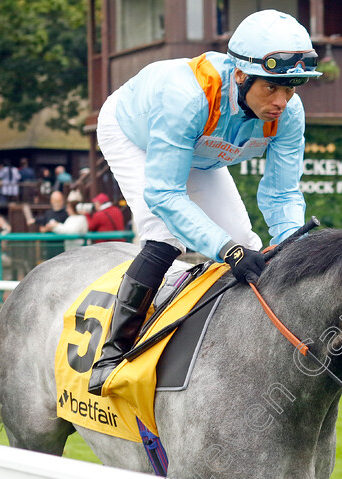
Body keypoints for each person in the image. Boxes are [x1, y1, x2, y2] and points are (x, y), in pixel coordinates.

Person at [87, 9, 321, 395]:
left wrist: (296, 249)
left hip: (199, 151)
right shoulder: (187, 97)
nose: (281, 101)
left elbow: (281, 195)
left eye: (291, 88)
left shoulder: (289, 114)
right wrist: (225, 251)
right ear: (241, 75)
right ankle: (112, 355)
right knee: (166, 235)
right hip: (134, 133)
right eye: (271, 88)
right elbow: (164, 193)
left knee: (248, 245)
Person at [30, 191, 68, 259]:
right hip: (49, 246)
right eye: (55, 200)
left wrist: (53, 227)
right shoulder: (49, 213)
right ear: (51, 201)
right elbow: (42, 221)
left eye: (59, 200)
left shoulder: (66, 213)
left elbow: (66, 228)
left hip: (61, 246)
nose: (57, 202)